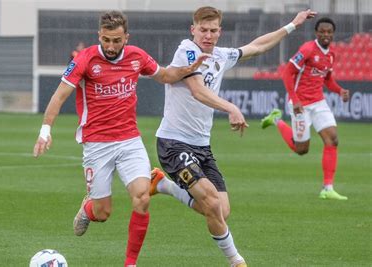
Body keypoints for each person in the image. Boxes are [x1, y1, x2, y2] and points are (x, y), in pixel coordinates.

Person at [33, 10, 207, 267]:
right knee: (103, 213)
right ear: (99, 36)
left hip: (129, 141)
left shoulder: (137, 56)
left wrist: (187, 69)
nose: (111, 46)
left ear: (127, 37)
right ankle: (87, 207)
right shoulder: (85, 59)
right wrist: (45, 131)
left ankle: (130, 263)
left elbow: (164, 76)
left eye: (116, 40)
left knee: (142, 198)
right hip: (97, 145)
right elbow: (59, 96)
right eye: (106, 40)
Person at [148, 6, 316, 267]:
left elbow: (257, 46)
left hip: (201, 146)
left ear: (219, 32)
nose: (208, 35)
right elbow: (197, 91)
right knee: (212, 202)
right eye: (203, 30)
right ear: (193, 30)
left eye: (213, 30)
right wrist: (231, 107)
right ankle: (236, 261)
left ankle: (162, 184)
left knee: (220, 211)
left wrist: (293, 24)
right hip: (173, 142)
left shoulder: (222, 55)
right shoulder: (187, 51)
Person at [261, 17, 349, 200]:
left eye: (329, 32)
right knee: (301, 149)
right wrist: (295, 100)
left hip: (318, 102)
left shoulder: (330, 55)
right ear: (317, 33)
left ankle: (327, 188)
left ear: (333, 34)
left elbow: (327, 80)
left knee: (332, 139)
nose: (326, 35)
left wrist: (340, 90)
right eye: (322, 31)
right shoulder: (307, 49)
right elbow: (287, 73)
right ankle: (276, 119)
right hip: (300, 104)